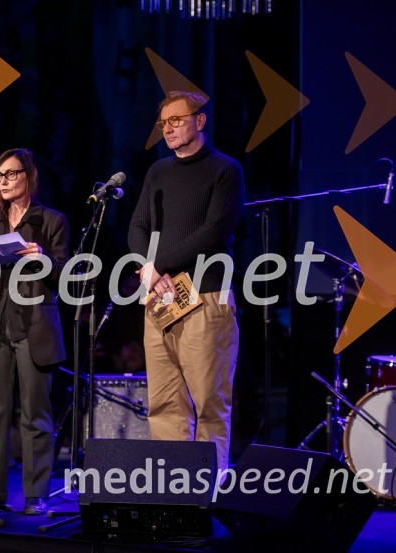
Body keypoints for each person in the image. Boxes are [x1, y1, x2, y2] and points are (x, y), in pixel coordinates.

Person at [128, 91, 244, 472]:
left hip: (206, 293)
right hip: (161, 297)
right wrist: (148, 266)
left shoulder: (225, 169)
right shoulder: (157, 172)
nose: (168, 129)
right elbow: (138, 225)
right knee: (164, 401)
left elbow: (214, 231)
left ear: (200, 120)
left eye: (176, 120)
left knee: (209, 400)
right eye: (163, 123)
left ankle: (208, 491)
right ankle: (174, 490)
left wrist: (157, 265)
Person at [0, 148, 69, 515]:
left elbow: (65, 277)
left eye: (11, 174)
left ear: (29, 175)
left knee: (34, 414)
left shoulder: (51, 220)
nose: (4, 182)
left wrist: (41, 258)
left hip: (34, 326)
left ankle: (36, 493)